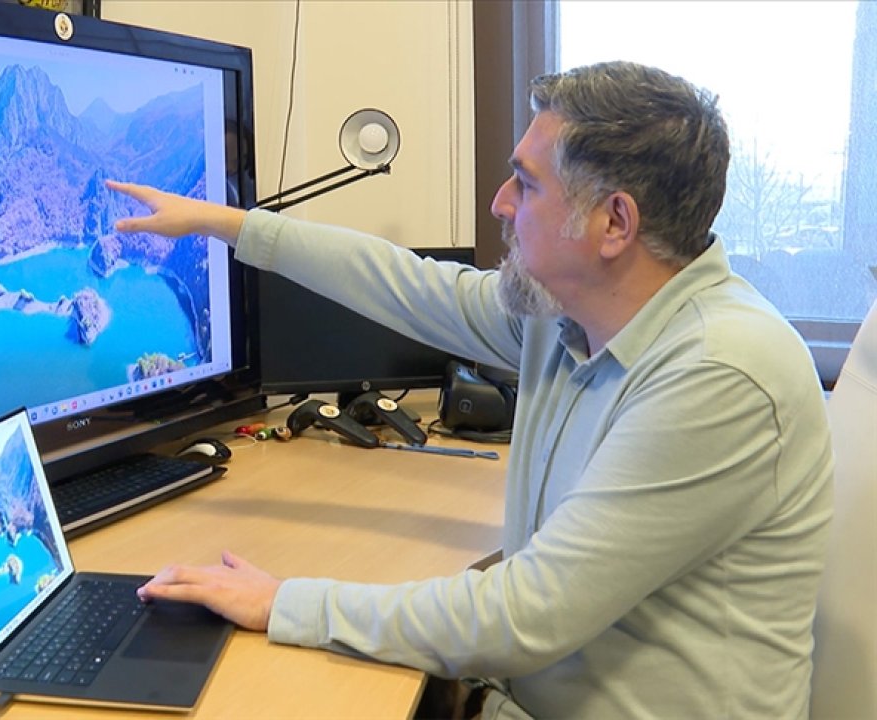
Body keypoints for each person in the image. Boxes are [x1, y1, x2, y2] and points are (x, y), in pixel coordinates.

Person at [105, 60, 834, 719]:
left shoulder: (719, 372)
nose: (500, 202)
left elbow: (526, 614)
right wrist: (225, 224)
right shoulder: (572, 314)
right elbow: (407, 285)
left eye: (527, 183)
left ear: (614, 222)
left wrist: (285, 602)